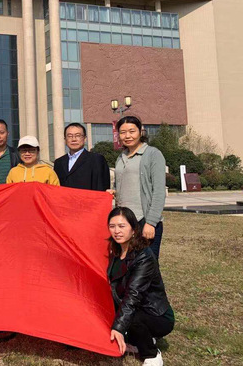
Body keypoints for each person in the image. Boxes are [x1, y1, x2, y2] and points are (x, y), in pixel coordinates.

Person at [107, 207, 174, 365]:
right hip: (134, 308)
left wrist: (119, 327)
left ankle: (152, 355)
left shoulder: (144, 257)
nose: (117, 231)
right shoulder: (115, 251)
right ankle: (137, 338)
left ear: (133, 230)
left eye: (122, 226)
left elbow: (133, 295)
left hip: (156, 314)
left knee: (132, 318)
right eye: (112, 226)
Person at [108, 116, 166, 260]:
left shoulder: (153, 154)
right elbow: (122, 183)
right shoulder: (121, 156)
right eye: (123, 132)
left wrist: (151, 223)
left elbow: (159, 192)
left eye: (132, 131)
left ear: (140, 132)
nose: (127, 136)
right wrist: (114, 191)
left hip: (143, 220)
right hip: (125, 221)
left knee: (147, 266)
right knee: (126, 264)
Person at [54, 123, 110, 191]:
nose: (74, 139)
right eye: (70, 136)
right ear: (65, 140)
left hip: (88, 197)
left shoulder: (96, 159)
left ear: (85, 139)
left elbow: (101, 187)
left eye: (78, 135)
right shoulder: (58, 163)